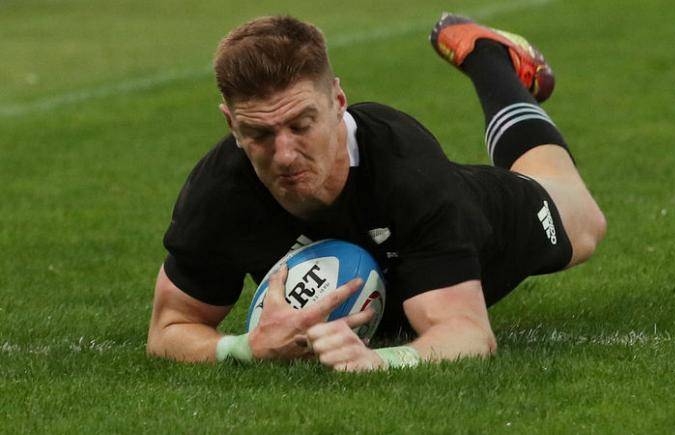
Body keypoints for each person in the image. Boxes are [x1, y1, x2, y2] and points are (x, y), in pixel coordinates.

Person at [146, 13, 606, 371]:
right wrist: (244, 348)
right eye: (259, 134)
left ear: (338, 101)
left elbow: (468, 333)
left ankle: (489, 59)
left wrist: (377, 361)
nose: (283, 154)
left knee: (582, 222)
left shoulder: (404, 167)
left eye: (301, 125)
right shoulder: (220, 192)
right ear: (231, 124)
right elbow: (169, 329)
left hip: (484, 221)